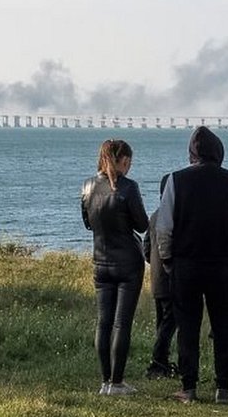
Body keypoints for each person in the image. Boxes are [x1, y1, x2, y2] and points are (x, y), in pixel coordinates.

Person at [155, 126, 228, 404]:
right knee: (222, 327)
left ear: (191, 153)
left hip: (186, 264)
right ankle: (222, 388)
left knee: (188, 327)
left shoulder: (175, 179)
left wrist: (169, 260)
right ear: (219, 151)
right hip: (223, 265)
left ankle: (189, 387)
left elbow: (164, 228)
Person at [81, 139, 149, 396]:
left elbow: (88, 222)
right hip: (128, 264)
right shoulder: (129, 188)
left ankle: (104, 382)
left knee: (103, 322)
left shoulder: (87, 186)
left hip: (100, 260)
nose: (129, 167)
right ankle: (117, 383)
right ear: (122, 160)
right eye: (128, 162)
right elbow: (142, 224)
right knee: (122, 323)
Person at [143, 174, 177, 379]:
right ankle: (157, 363)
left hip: (157, 279)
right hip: (171, 278)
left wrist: (154, 265)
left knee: (162, 323)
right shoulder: (174, 216)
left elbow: (146, 247)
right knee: (169, 323)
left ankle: (162, 363)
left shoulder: (155, 215)